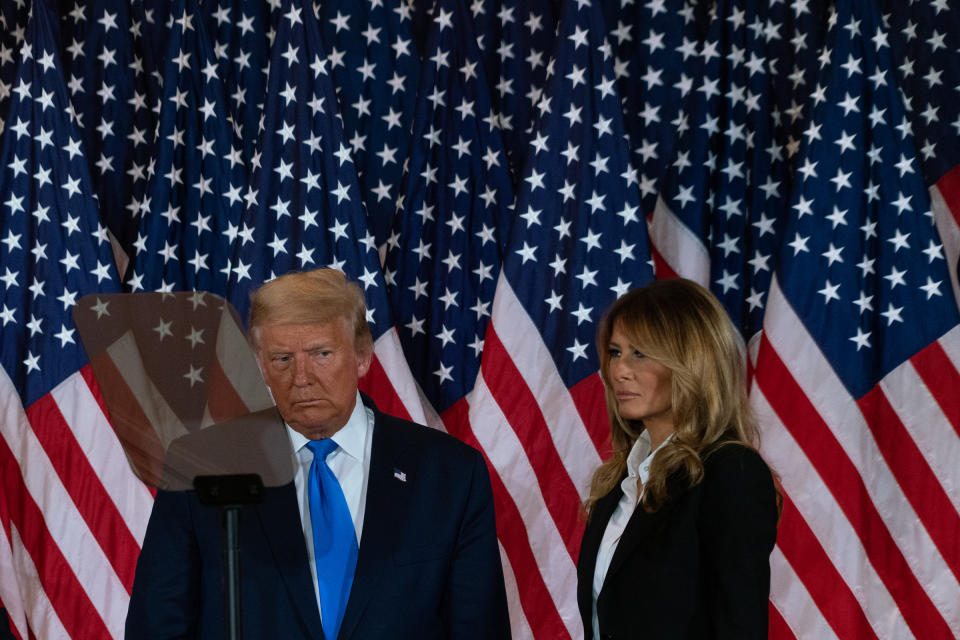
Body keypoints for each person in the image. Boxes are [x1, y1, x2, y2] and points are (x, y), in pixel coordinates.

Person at [126, 269, 511, 639]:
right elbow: (158, 627)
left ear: (362, 357)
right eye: (282, 359)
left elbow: (479, 629)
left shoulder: (447, 475)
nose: (302, 377)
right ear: (261, 364)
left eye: (321, 353)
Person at [577, 278, 779, 640]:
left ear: (692, 362)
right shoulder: (616, 482)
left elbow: (739, 626)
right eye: (615, 352)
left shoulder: (730, 471)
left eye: (640, 352)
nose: (620, 369)